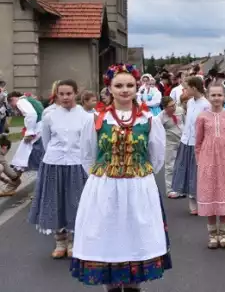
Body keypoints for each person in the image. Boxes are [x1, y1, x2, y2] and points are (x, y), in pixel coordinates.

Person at [71, 64, 171, 290]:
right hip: (105, 187)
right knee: (108, 235)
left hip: (138, 187)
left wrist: (138, 175)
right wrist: (105, 175)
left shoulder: (148, 119)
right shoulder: (96, 118)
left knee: (136, 235)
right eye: (119, 85)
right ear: (109, 88)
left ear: (137, 87)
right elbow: (87, 155)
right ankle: (112, 286)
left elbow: (156, 156)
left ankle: (135, 285)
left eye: (129, 85)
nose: (125, 90)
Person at [28, 79, 89, 258]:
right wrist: (56, 156)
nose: (65, 97)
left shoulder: (86, 117)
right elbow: (46, 141)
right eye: (61, 94)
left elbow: (88, 143)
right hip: (54, 164)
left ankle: (72, 240)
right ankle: (59, 240)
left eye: (68, 93)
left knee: (75, 201)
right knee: (55, 202)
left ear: (76, 94)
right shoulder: (49, 116)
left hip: (77, 164)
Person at [195, 83, 225, 249]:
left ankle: (224, 233)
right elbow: (198, 142)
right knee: (210, 194)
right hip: (207, 160)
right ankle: (212, 234)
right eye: (213, 95)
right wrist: (200, 160)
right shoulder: (202, 117)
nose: (216, 98)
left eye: (219, 95)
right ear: (208, 96)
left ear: (224, 97)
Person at [173, 76, 211, 215]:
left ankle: (202, 201)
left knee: (198, 172)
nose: (185, 90)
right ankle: (192, 201)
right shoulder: (189, 103)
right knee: (186, 171)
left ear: (194, 88)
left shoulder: (206, 105)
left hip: (198, 143)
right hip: (186, 141)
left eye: (187, 87)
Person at [7, 91, 45, 174]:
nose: (13, 107)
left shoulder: (21, 101)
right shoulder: (30, 100)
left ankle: (15, 177)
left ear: (12, 99)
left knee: (25, 152)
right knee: (32, 153)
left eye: (11, 105)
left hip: (37, 129)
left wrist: (29, 132)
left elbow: (31, 114)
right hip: (41, 128)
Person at [159, 96, 185, 199]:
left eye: (174, 104)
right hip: (170, 142)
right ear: (165, 108)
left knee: (182, 165)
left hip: (182, 140)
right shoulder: (161, 117)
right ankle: (170, 189)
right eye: (171, 106)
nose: (173, 107)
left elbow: (185, 122)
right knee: (170, 166)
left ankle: (181, 188)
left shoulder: (180, 110)